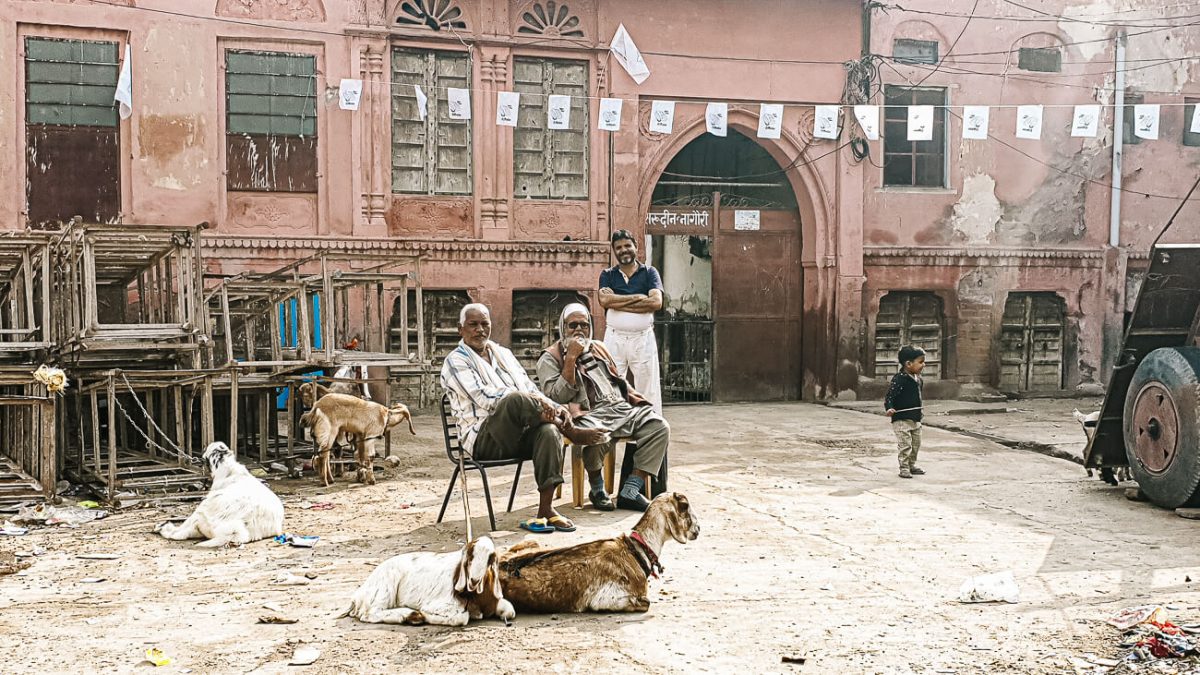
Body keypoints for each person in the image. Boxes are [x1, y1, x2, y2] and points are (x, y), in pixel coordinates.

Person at [440, 303, 605, 533]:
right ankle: (571, 431)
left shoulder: (503, 354)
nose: (480, 330)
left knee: (548, 431)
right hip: (484, 440)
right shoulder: (455, 361)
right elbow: (487, 398)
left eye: (484, 324)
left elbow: (530, 388)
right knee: (513, 399)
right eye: (473, 325)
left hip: (518, 433)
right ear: (461, 330)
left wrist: (556, 407)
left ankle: (545, 509)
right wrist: (541, 405)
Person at [536, 303, 670, 512]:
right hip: (586, 412)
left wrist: (630, 399)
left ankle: (631, 489)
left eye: (584, 325)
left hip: (619, 406)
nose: (579, 330)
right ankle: (597, 488)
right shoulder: (550, 357)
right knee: (597, 433)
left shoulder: (599, 346)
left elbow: (617, 379)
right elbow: (556, 396)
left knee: (659, 427)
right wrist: (571, 358)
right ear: (562, 328)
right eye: (573, 326)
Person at [598, 229, 664, 414]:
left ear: (636, 247)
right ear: (614, 251)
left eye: (627, 245)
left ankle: (646, 435)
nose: (623, 250)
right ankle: (613, 431)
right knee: (610, 385)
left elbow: (656, 302)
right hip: (614, 338)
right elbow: (604, 301)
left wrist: (617, 301)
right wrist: (640, 298)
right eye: (618, 247)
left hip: (642, 339)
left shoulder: (650, 272)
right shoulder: (608, 275)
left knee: (648, 388)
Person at [885, 345, 926, 479]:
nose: (923, 365)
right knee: (905, 445)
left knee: (916, 444)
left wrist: (920, 412)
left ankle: (911, 465)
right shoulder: (899, 379)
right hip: (901, 419)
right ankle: (904, 468)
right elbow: (890, 396)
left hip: (915, 418)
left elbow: (918, 397)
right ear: (908, 364)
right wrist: (889, 408)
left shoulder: (918, 379)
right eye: (920, 362)